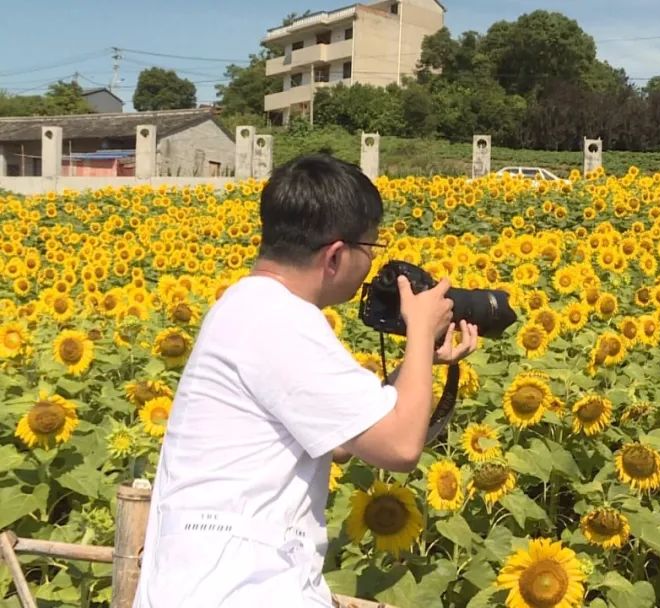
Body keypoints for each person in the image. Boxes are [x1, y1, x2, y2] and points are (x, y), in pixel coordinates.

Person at [133, 154, 480, 607]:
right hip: (239, 589)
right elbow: (399, 448)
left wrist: (421, 360)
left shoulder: (249, 306)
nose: (371, 266)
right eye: (370, 250)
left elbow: (342, 438)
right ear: (336, 255)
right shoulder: (282, 320)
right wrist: (417, 330)